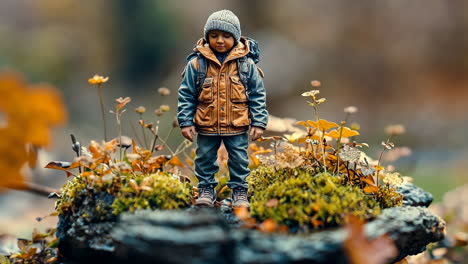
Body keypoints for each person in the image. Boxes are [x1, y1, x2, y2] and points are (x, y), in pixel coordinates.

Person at [177, 10, 268, 208]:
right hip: (206, 123)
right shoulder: (196, 64)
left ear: (235, 38)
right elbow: (186, 95)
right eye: (214, 35)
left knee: (239, 160)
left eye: (226, 36)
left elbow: (257, 95)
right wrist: (185, 121)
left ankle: (239, 191)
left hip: (237, 123)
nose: (219, 40)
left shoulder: (246, 65)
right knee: (204, 159)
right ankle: (206, 189)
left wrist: (259, 122)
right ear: (206, 36)